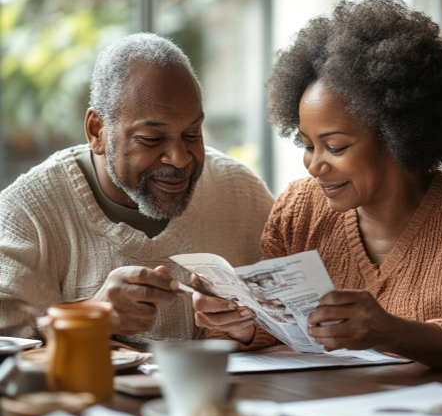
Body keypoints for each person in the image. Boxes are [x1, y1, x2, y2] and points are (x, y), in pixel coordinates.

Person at [192, 0, 442, 368]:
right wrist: (238, 323)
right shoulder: (300, 210)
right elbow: (277, 328)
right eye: (307, 145)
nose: (314, 165)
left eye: (335, 146)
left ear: (400, 135)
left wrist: (390, 330)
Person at [0, 33, 274, 345]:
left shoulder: (240, 192)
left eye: (192, 133)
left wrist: (248, 326)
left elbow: (297, 319)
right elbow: (6, 338)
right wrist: (91, 315)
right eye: (151, 139)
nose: (180, 158)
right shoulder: (25, 212)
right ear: (97, 132)